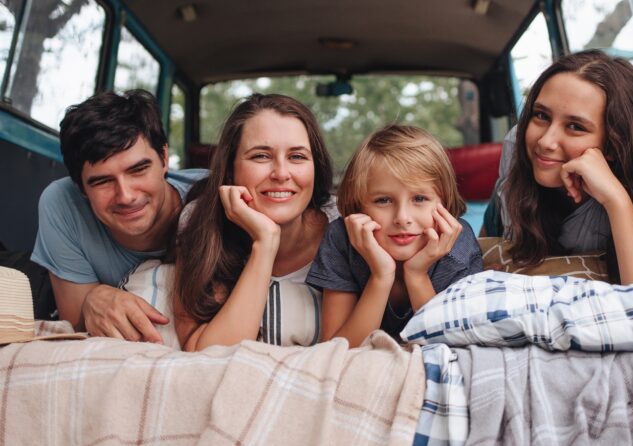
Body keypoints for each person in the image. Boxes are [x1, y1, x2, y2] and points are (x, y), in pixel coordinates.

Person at [32, 90, 206, 341]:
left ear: (164, 158)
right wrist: (92, 299)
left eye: (138, 170)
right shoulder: (62, 203)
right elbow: (74, 326)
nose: (125, 196)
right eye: (102, 181)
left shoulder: (213, 198)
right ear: (80, 187)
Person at [497, 50, 633, 283]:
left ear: (614, 145)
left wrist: (616, 200)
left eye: (575, 126)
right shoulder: (517, 144)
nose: (545, 141)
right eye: (541, 115)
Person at [173, 93, 334, 351]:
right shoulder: (199, 221)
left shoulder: (342, 229)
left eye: (297, 157)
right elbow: (203, 353)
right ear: (230, 169)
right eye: (261, 156)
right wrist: (265, 243)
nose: (281, 173)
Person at [307, 124, 483, 347]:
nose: (402, 218)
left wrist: (417, 274)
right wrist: (381, 276)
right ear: (358, 208)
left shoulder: (457, 242)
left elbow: (453, 349)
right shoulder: (343, 239)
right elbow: (336, 349)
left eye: (419, 198)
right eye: (383, 200)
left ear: (444, 203)